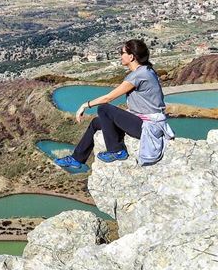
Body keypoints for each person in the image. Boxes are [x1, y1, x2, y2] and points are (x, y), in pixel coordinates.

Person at [55, 39, 173, 171]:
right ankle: (77, 159)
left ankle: (117, 151)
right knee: (96, 122)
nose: (120, 56)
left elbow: (108, 98)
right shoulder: (146, 71)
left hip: (147, 125)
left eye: (121, 53)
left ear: (131, 56)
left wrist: (85, 105)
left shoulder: (139, 75)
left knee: (104, 109)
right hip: (142, 120)